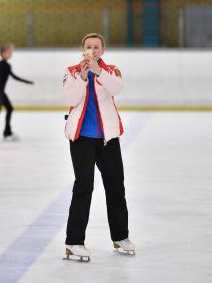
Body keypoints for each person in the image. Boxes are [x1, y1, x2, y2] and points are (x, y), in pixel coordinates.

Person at [62, 33, 135, 262]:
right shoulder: (72, 71)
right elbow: (69, 98)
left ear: (102, 50)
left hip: (108, 139)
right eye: (88, 47)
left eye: (96, 47)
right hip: (82, 139)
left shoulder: (111, 69)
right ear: (82, 49)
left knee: (115, 186)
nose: (92, 50)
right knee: (83, 186)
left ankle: (120, 236)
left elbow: (117, 89)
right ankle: (74, 242)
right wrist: (83, 77)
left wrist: (98, 71)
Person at [0, 42, 34, 142]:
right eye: (9, 52)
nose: (10, 54)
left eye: (10, 52)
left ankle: (7, 132)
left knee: (10, 108)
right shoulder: (2, 64)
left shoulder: (4, 64)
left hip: (0, 92)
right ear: (3, 53)